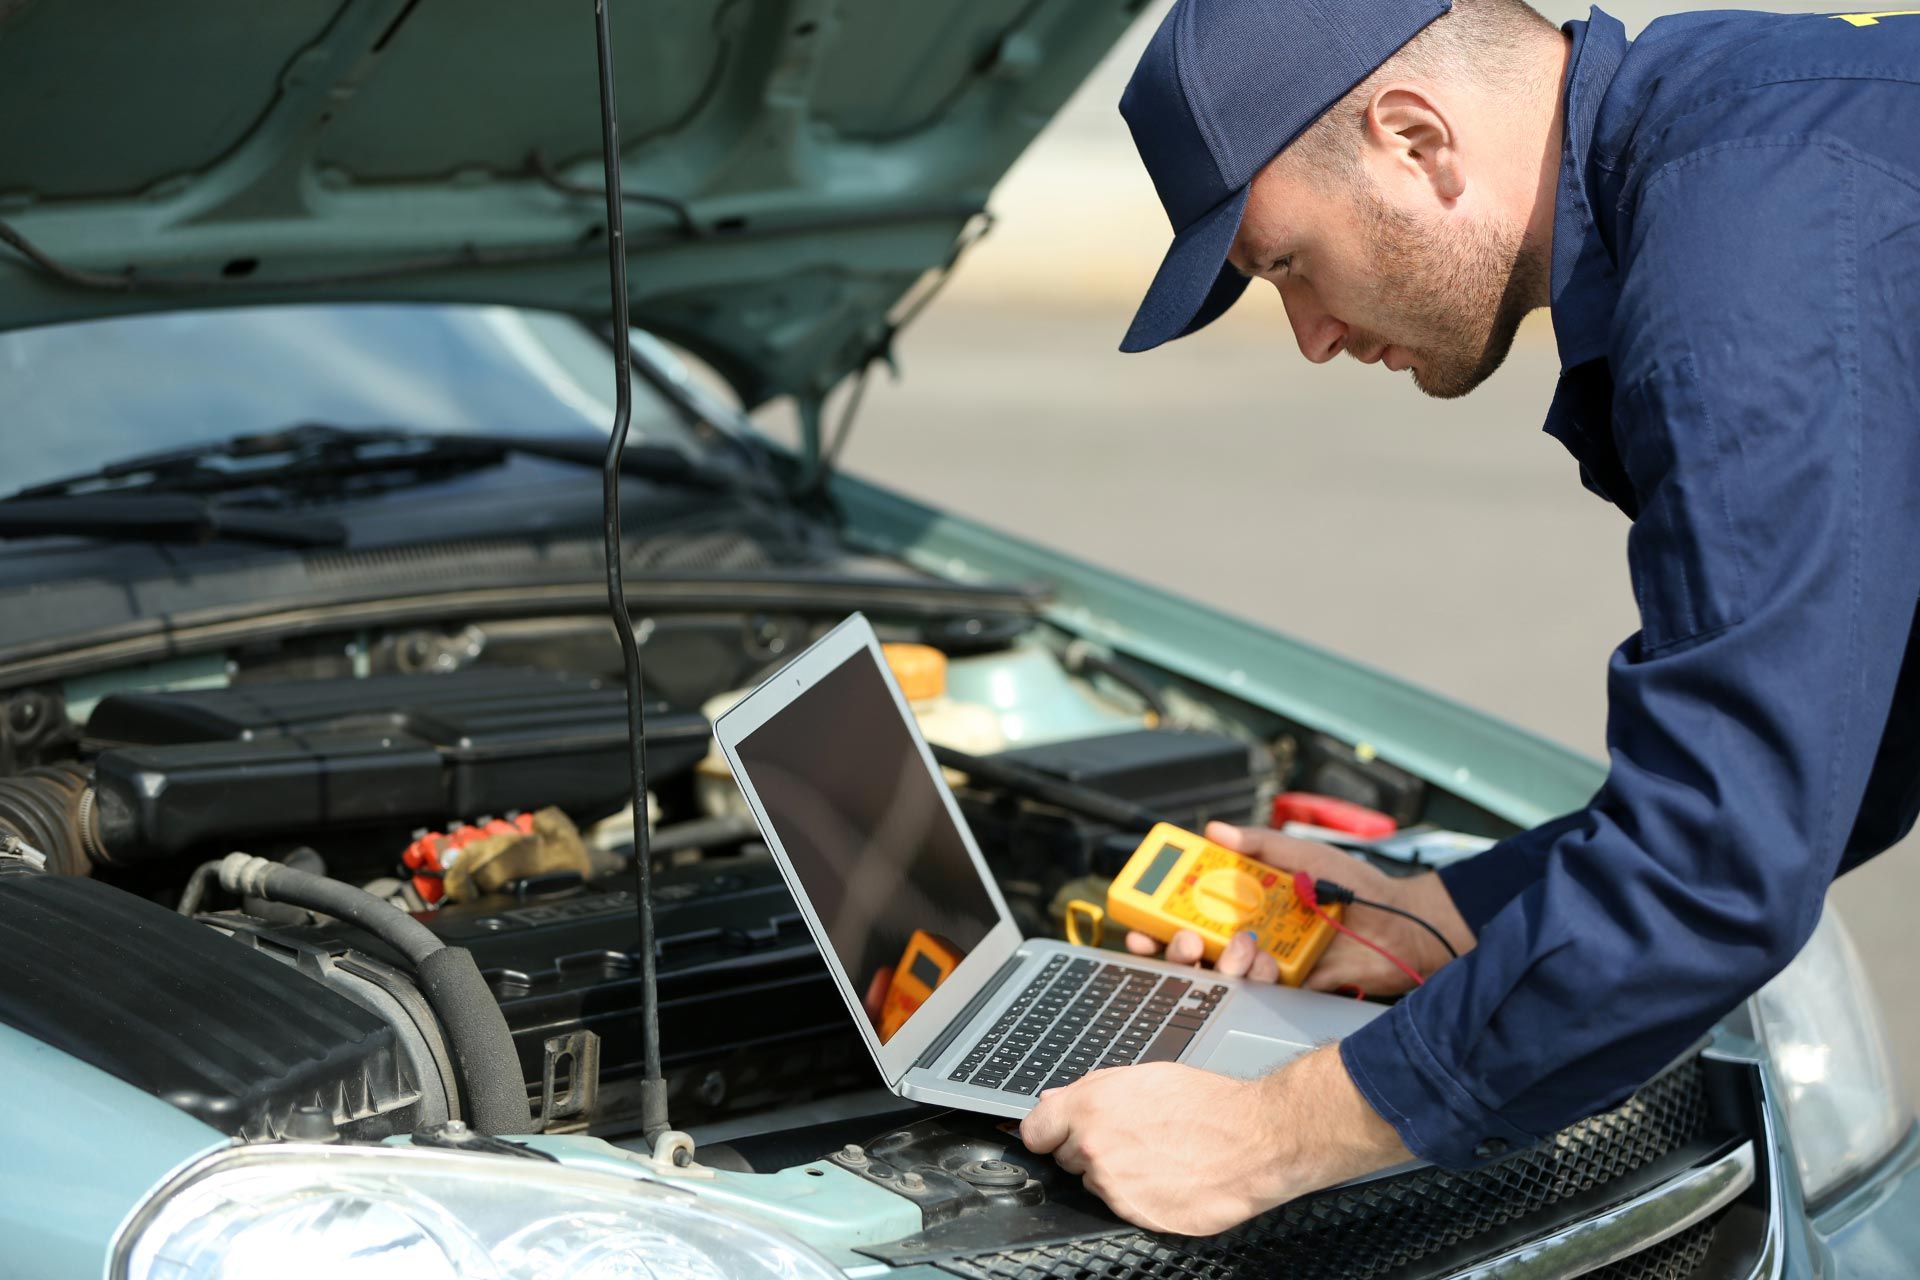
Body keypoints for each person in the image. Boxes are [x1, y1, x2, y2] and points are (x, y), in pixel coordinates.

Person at [1019, 0, 1920, 1235]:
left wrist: (1265, 1136)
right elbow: (1849, 757)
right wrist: (1444, 916)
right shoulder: (1746, 130)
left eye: (1286, 264)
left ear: (1413, 137)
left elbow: (1720, 864)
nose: (1314, 336)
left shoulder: (1747, 253)